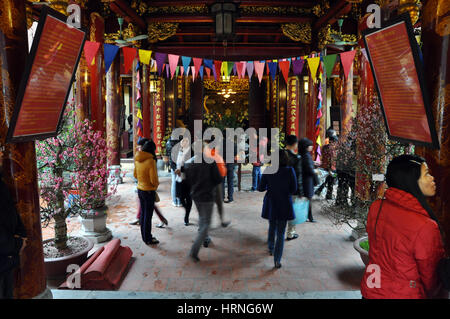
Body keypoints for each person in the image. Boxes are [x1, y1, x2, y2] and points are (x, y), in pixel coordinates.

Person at [360, 154, 446, 299]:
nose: (432, 178)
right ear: (410, 181)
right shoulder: (425, 226)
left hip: (372, 289)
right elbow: (430, 276)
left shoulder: (376, 208)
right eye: (426, 174)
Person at [184, 141, 223, 262]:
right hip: (207, 195)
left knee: (202, 218)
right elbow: (218, 179)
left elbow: (187, 181)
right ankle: (194, 250)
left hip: (195, 195)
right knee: (206, 223)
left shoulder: (189, 163)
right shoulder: (210, 162)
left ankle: (204, 239)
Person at [258, 150, 297, 269]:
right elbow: (294, 189)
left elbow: (260, 188)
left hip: (271, 202)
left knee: (272, 225)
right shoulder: (290, 170)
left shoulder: (268, 170)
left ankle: (270, 247)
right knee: (281, 232)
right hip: (285, 203)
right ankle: (277, 260)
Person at [0, 157, 27, 299]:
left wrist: (22, 234)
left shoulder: (1, 183)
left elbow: (10, 211)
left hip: (6, 259)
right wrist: (17, 244)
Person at [130, 138, 168, 228]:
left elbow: (153, 178)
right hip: (144, 186)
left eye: (140, 146)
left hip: (146, 186)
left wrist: (153, 186)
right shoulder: (144, 158)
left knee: (148, 207)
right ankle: (141, 218)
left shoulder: (149, 160)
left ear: (144, 147)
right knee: (147, 205)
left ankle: (142, 220)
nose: (139, 148)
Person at [134, 140, 160, 245]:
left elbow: (135, 175)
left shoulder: (137, 158)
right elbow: (154, 179)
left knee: (143, 214)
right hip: (148, 191)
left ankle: (144, 237)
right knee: (148, 216)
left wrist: (142, 181)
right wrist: (155, 186)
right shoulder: (151, 161)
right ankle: (148, 238)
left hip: (140, 189)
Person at [204, 139, 230, 227]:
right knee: (214, 203)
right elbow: (221, 170)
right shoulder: (213, 155)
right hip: (214, 182)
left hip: (211, 181)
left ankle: (217, 221)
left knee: (215, 203)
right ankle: (207, 224)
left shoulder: (209, 153)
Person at [284, 135, 304, 240]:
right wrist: (300, 192)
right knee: (292, 212)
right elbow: (298, 176)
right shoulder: (297, 158)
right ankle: (290, 233)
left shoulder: (279, 155)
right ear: (295, 144)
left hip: (280, 188)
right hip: (292, 189)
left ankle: (279, 231)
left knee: (281, 211)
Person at [175, 136, 193, 226]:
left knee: (188, 199)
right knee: (180, 198)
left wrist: (181, 170)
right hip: (179, 179)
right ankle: (187, 210)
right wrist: (176, 169)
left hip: (187, 179)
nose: (183, 143)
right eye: (182, 141)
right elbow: (177, 163)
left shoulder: (190, 152)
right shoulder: (180, 151)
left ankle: (186, 217)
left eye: (185, 141)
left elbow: (190, 166)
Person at [315, 130, 338, 199]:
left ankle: (320, 191)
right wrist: (331, 168)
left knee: (328, 180)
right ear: (333, 141)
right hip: (331, 168)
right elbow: (331, 159)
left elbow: (323, 156)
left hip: (325, 166)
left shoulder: (325, 147)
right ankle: (328, 195)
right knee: (331, 181)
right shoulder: (333, 149)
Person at [298, 138, 317, 222]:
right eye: (310, 145)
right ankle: (309, 217)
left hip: (304, 179)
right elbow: (309, 169)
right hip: (308, 180)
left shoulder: (302, 154)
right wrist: (316, 178)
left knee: (306, 199)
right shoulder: (306, 155)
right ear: (306, 146)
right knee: (308, 199)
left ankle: (307, 216)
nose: (312, 147)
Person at [335, 136, 356, 207]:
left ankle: (340, 202)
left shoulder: (344, 147)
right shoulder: (350, 148)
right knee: (346, 187)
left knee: (342, 186)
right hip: (345, 170)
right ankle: (344, 202)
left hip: (342, 170)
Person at [166, 135, 182, 207]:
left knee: (174, 183)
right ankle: (179, 201)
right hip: (179, 165)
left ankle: (174, 201)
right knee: (179, 182)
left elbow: (167, 154)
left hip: (173, 165)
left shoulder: (168, 143)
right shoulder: (179, 142)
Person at [222, 132, 237, 203]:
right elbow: (235, 154)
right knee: (230, 182)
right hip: (230, 164)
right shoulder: (233, 144)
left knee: (222, 182)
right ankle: (230, 198)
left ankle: (222, 197)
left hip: (222, 164)